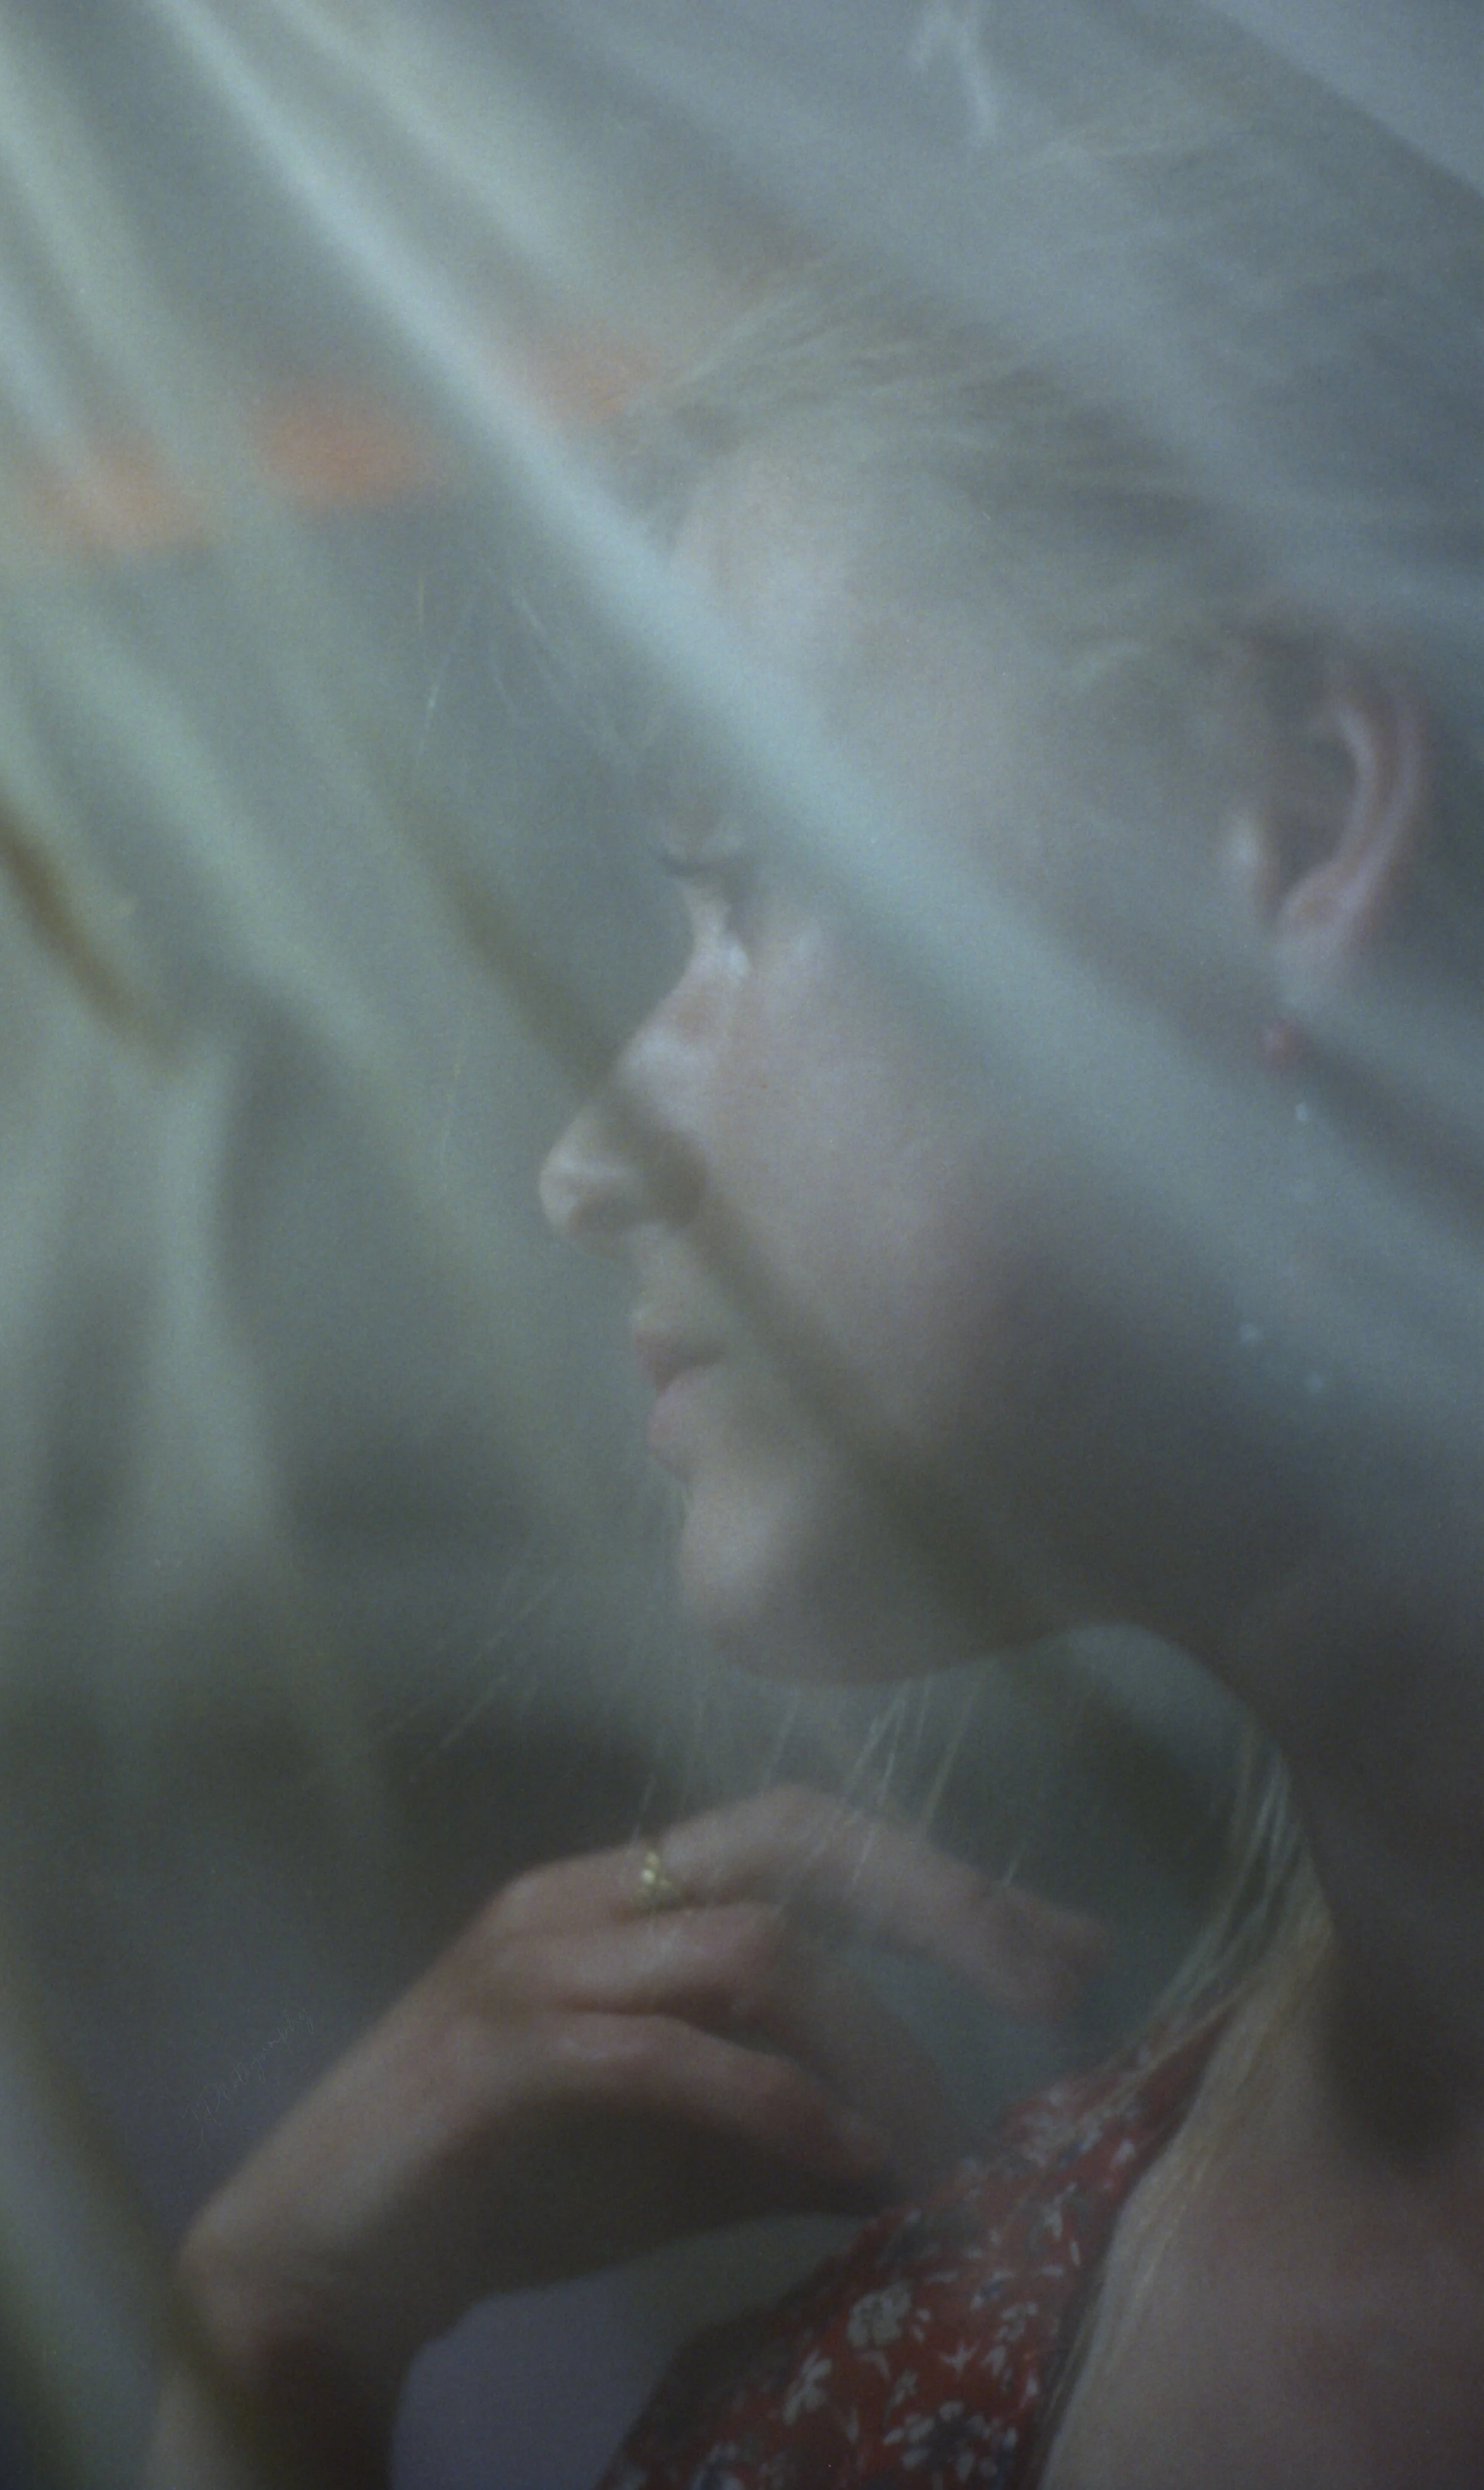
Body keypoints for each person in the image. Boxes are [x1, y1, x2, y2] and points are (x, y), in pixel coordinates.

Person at [160, 124, 1484, 2490]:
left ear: (1286, 815)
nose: (584, 1164)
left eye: (744, 875)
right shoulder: (871, 2406)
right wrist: (267, 2371)